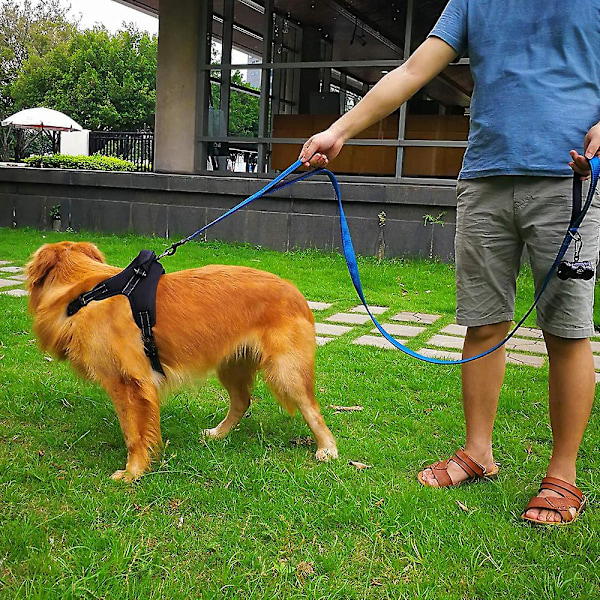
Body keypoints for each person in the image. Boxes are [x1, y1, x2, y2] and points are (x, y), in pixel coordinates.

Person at [299, 1, 600, 525]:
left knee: (566, 331)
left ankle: (563, 475)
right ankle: (477, 452)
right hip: (483, 180)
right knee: (483, 323)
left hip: (568, 181)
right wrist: (340, 130)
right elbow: (414, 70)